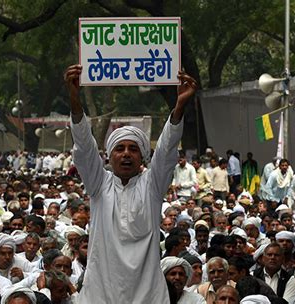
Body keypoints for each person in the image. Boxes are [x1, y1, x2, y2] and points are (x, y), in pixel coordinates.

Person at [64, 64, 197, 303]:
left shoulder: (152, 186)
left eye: (133, 149)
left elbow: (166, 150)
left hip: (146, 293)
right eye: (120, 149)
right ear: (109, 156)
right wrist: (75, 102)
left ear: (143, 156)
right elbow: (84, 147)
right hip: (100, 292)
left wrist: (179, 107)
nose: (126, 154)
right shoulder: (98, 184)